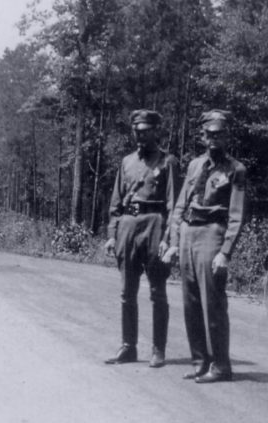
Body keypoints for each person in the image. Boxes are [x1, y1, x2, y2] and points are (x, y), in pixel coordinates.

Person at [162, 109, 246, 383]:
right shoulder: (195, 165)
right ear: (202, 136)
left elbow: (236, 215)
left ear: (227, 136)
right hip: (188, 233)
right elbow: (179, 205)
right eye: (209, 134)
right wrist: (174, 242)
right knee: (191, 303)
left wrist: (225, 252)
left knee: (213, 303)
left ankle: (221, 366)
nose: (214, 139)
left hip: (212, 233)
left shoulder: (236, 170)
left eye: (219, 134)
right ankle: (200, 361)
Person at [104, 109, 179, 368]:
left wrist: (168, 237)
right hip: (129, 226)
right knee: (127, 292)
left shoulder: (168, 162)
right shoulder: (126, 162)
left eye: (146, 130)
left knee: (157, 292)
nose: (140, 134)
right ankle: (128, 346)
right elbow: (118, 203)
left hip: (155, 224)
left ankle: (158, 349)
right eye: (137, 130)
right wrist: (113, 234)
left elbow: (173, 205)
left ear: (156, 131)